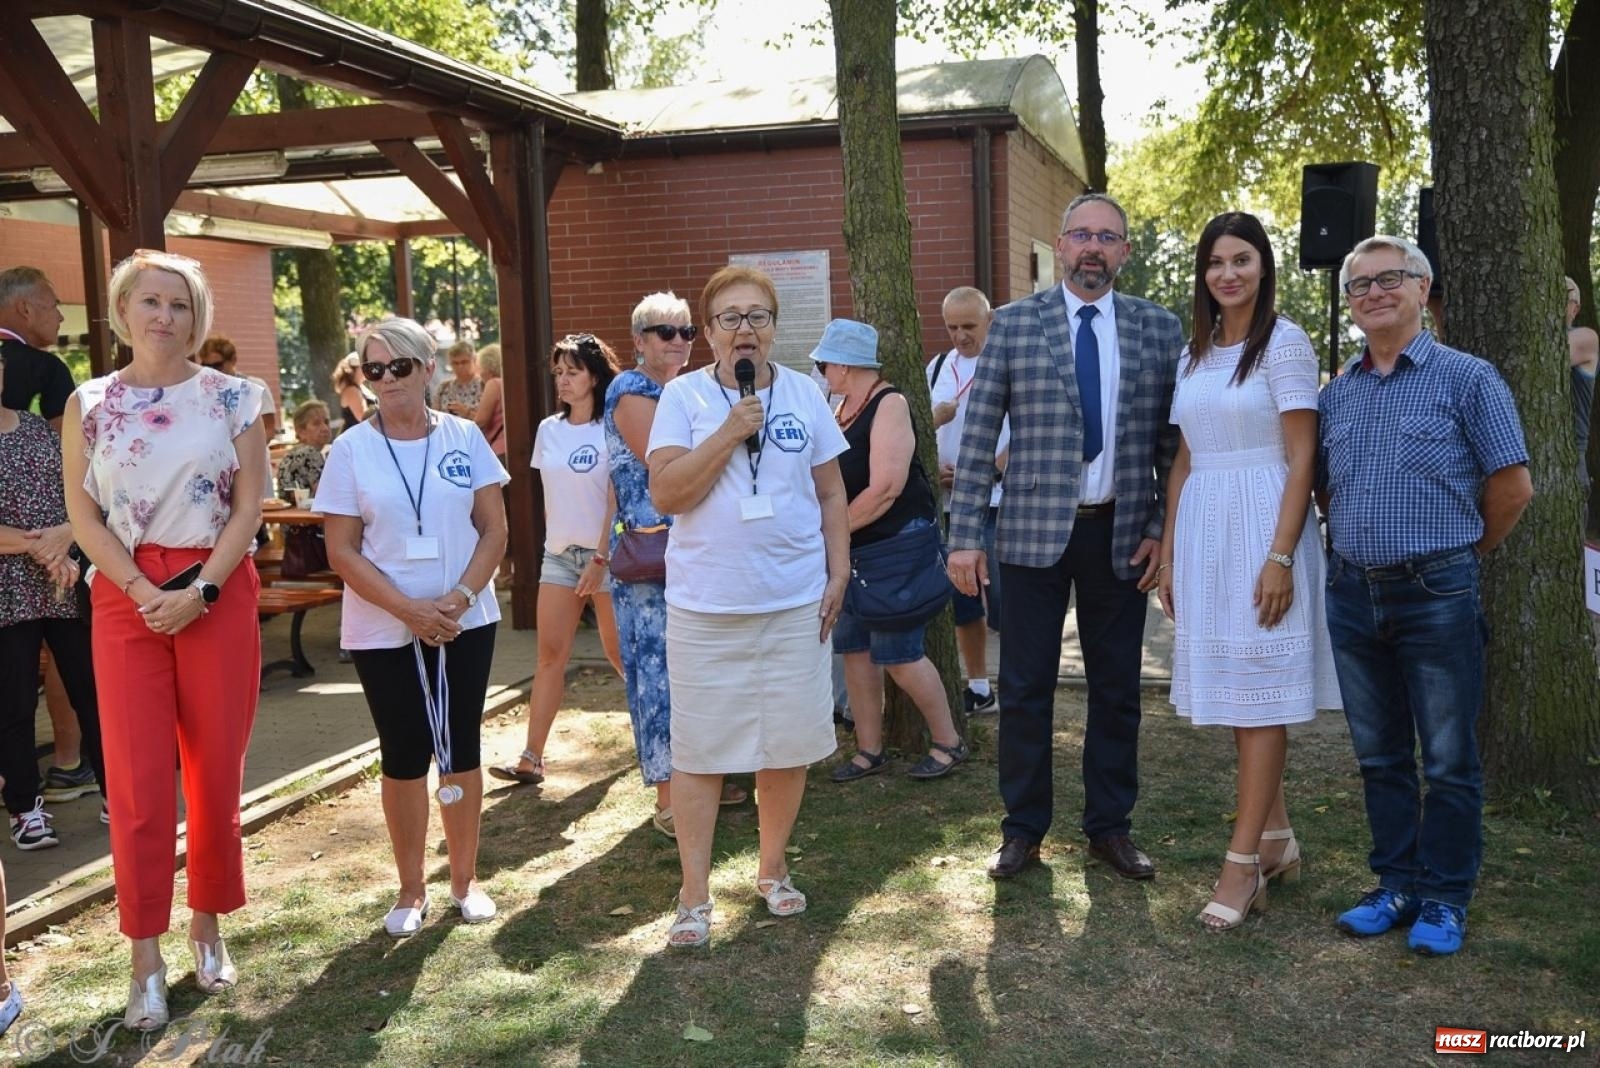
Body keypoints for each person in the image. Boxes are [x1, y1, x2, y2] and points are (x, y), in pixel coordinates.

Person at [947, 192, 1183, 882]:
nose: (1093, 248)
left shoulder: (1157, 328)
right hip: (1027, 536)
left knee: (1117, 690)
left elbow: (1172, 444)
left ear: (1125, 253)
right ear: (1061, 243)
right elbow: (980, 430)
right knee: (1025, 688)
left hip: (1121, 536)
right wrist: (964, 537)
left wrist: (1163, 531)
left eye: (1108, 238)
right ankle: (1022, 828)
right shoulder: (1014, 326)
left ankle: (1110, 826)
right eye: (1082, 234)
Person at [61, 249, 267, 1030]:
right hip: (125, 596)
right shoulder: (90, 401)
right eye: (149, 301)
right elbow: (83, 516)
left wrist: (202, 590)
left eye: (179, 305)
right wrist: (146, 591)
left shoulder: (236, 397)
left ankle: (206, 924)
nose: (163, 317)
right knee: (141, 786)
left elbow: (249, 508)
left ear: (197, 317)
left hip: (216, 586)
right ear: (122, 312)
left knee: (214, 771)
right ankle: (144, 954)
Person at [1320, 235, 1532, 956]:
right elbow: (1323, 486)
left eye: (1390, 279)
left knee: (1447, 760)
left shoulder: (1468, 379)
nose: (1375, 293)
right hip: (1352, 594)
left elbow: (1513, 485)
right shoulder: (1337, 392)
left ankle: (1444, 897)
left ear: (1422, 288)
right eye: (1360, 285)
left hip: (1437, 592)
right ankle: (1396, 883)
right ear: (1349, 303)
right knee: (1379, 758)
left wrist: (1464, 556)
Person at [647, 266, 850, 947]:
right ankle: (694, 895)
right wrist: (732, 430)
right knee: (701, 754)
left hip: (793, 603)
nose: (745, 329)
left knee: (785, 745)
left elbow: (829, 495)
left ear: (774, 327)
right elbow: (668, 495)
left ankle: (771, 869)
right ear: (707, 333)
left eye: (757, 316)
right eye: (730, 318)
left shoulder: (805, 393)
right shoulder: (681, 398)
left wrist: (839, 572)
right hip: (706, 608)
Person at [1155, 213, 1341, 930]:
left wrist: (1282, 555)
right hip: (1207, 528)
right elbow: (1185, 457)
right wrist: (1170, 550)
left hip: (1266, 522)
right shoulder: (1195, 352)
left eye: (1242, 260)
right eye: (1215, 262)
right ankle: (1275, 839)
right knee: (1239, 696)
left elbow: (1302, 458)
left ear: (1264, 267)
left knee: (1261, 692)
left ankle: (1241, 870)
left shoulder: (1284, 344)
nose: (1227, 273)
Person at [316, 317, 509, 939]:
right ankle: (410, 887)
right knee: (403, 755)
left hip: (463, 619)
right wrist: (409, 610)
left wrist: (456, 597)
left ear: (428, 368)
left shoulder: (465, 436)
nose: (387, 379)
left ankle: (464, 881)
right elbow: (342, 551)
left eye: (400, 366)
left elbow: (495, 530)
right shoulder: (350, 449)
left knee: (460, 746)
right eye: (373, 369)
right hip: (384, 626)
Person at [602, 293, 746, 835]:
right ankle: (669, 797)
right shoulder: (632, 390)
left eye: (687, 332)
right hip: (650, 561)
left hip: (690, 551)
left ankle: (705, 776)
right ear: (638, 340)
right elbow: (673, 464)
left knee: (697, 670)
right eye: (666, 332)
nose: (679, 341)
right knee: (659, 674)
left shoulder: (685, 391)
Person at [818, 318, 966, 781]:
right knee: (855, 651)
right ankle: (869, 749)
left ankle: (949, 741)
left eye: (824, 362)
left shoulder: (890, 403)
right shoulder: (838, 405)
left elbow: (885, 489)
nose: (821, 370)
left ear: (844, 365)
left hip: (893, 550)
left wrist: (831, 533)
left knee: (899, 653)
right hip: (853, 553)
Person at [490, 334, 623, 784]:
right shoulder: (549, 429)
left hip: (606, 559)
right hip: (560, 558)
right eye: (558, 373)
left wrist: (601, 558)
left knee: (621, 655)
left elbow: (616, 498)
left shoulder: (614, 425)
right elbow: (550, 497)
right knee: (549, 657)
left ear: (595, 375)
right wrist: (556, 546)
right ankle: (531, 757)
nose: (563, 382)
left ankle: (663, 740)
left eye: (573, 372)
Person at [0, 355, 106, 849]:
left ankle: (117, 794)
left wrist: (66, 536)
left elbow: (84, 497)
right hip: (8, 596)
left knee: (95, 693)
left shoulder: (42, 431)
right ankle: (25, 809)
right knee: (15, 704)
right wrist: (42, 548)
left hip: (67, 584)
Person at [928, 286, 1007, 715]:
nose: (960, 336)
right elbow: (922, 422)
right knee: (962, 602)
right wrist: (934, 468)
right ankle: (979, 686)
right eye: (952, 327)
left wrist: (988, 470)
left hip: (997, 500)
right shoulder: (939, 366)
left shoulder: (1008, 364)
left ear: (989, 320)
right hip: (948, 503)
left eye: (969, 326)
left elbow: (1029, 431)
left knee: (1006, 601)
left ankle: (1019, 683)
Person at [0, 267, 71, 430]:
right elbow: (66, 444)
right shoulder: (46, 368)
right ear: (26, 310)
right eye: (54, 306)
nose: (61, 317)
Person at [199, 335, 278, 441]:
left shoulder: (254, 387)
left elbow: (269, 429)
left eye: (217, 365)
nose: (212, 371)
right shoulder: (202, 391)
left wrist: (246, 454)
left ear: (233, 360)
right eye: (206, 366)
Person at [1565, 276, 1597, 472]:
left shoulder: (1586, 337)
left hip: (1571, 454)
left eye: (1564, 296)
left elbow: (1552, 357)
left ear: (1575, 308)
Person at [276, 399, 332, 500]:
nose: (324, 428)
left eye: (326, 422)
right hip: (306, 514)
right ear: (301, 431)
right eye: (316, 423)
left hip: (288, 513)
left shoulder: (290, 454)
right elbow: (325, 493)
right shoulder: (310, 453)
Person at [473, 344, 507, 464]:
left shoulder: (494, 383)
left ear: (487, 367)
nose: (480, 373)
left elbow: (481, 421)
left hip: (498, 449)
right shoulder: (508, 383)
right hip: (511, 447)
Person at [434, 341, 484, 420]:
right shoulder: (444, 388)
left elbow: (488, 422)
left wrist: (466, 412)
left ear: (474, 361)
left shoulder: (483, 386)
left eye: (464, 362)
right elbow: (435, 418)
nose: (460, 366)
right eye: (455, 363)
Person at [332, 353, 371, 434]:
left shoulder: (360, 387)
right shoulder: (351, 390)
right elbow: (363, 417)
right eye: (363, 367)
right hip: (356, 439)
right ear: (354, 369)